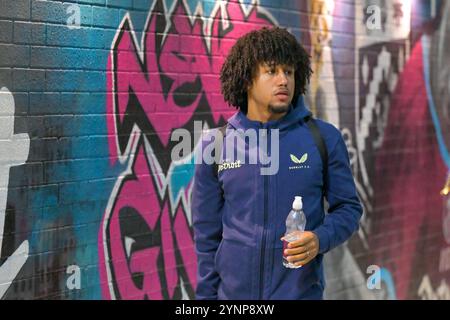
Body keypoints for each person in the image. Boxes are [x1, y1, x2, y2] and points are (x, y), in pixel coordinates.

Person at [191, 26, 363, 300]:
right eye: (272, 71)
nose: (283, 80)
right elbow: (206, 237)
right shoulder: (217, 145)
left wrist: (320, 239)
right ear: (247, 79)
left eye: (290, 72)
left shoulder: (323, 138)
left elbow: (349, 209)